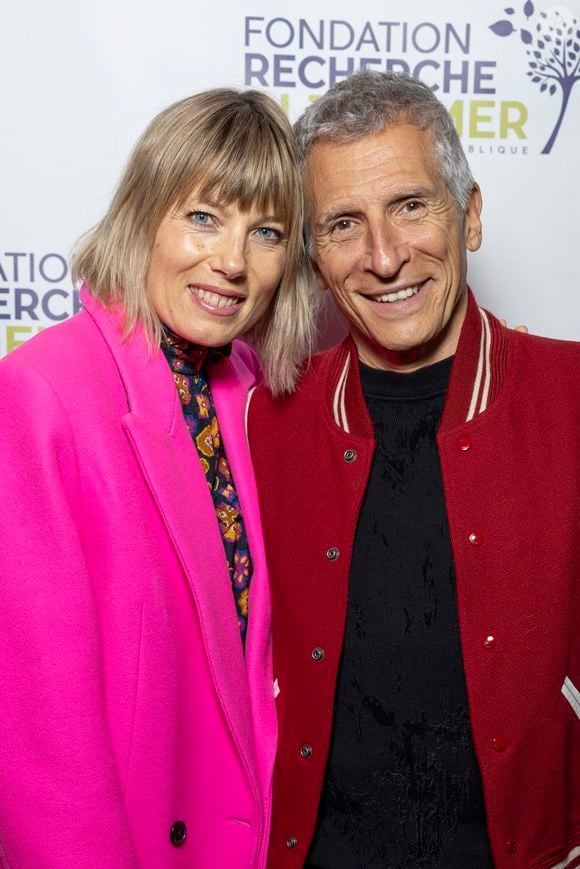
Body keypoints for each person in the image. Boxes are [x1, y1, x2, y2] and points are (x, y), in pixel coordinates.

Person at [247, 71, 580, 869]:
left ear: (468, 215)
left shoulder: (572, 396)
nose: (385, 257)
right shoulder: (265, 423)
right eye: (343, 225)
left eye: (410, 206)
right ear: (313, 255)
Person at [0, 87, 317, 868]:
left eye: (266, 232)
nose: (233, 261)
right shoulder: (40, 393)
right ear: (144, 215)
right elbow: (44, 738)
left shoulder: (251, 385)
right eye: (204, 217)